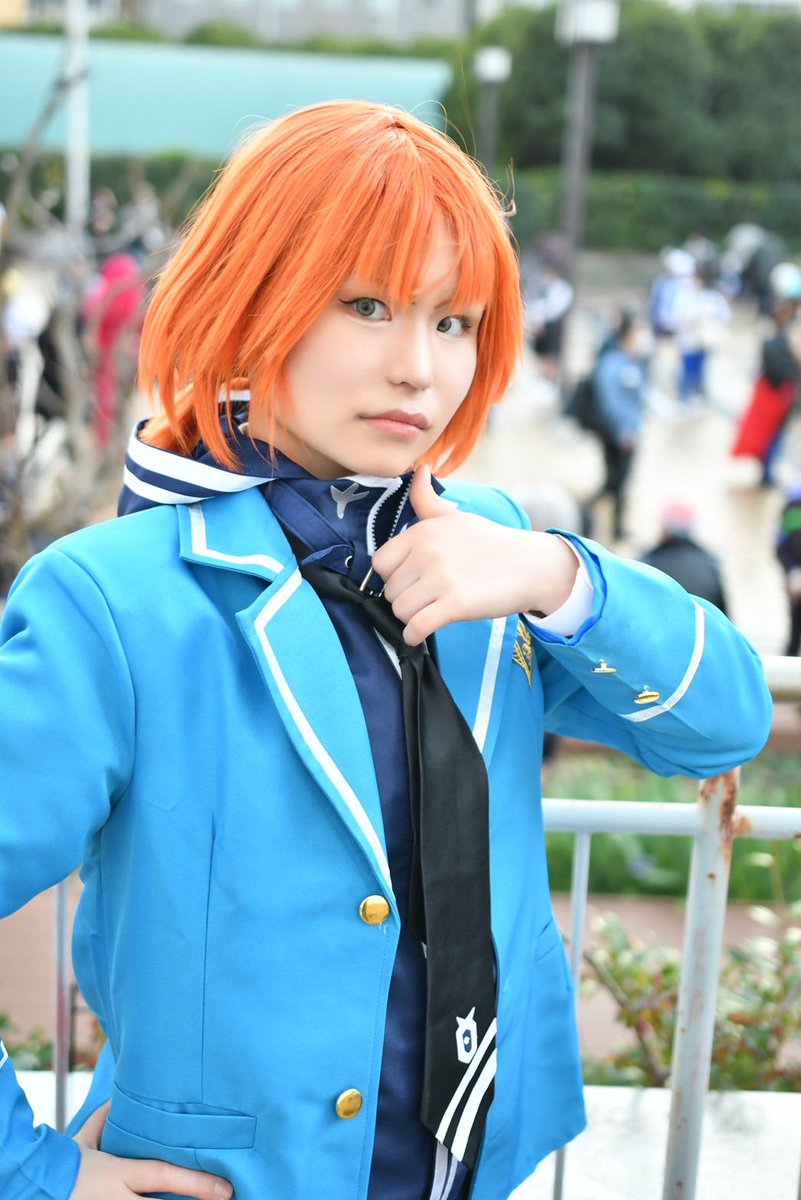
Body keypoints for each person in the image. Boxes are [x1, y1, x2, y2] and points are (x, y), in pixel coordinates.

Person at [0, 101, 773, 1200]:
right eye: (367, 306)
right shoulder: (113, 599)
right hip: (235, 1175)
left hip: (478, 1159)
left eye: (454, 321)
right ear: (251, 297)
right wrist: (35, 1174)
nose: (419, 368)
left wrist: (560, 579)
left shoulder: (487, 544)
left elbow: (724, 725)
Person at [584, 309, 652, 543]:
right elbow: (610, 401)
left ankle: (614, 525)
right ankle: (605, 522)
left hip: (630, 431)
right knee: (616, 482)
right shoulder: (613, 362)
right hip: (619, 434)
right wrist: (622, 431)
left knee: (619, 482)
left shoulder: (636, 361)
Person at [732, 266, 801, 487]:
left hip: (778, 385)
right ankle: (767, 473)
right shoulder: (783, 331)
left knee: (771, 431)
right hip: (778, 386)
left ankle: (767, 470)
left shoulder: (782, 327)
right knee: (771, 432)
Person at [640, 502, 728, 615]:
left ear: (665, 530)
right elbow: (724, 617)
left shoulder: (647, 563)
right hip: (701, 625)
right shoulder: (710, 563)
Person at [777, 478, 801, 655]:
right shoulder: (795, 505)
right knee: (795, 631)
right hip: (797, 580)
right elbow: (787, 546)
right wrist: (793, 571)